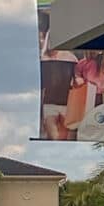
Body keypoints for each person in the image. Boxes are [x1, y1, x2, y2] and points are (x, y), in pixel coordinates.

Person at [38, 10, 79, 141]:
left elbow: (77, 79)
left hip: (67, 104)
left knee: (66, 136)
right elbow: (42, 85)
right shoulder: (42, 59)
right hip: (49, 104)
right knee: (53, 135)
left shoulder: (70, 57)